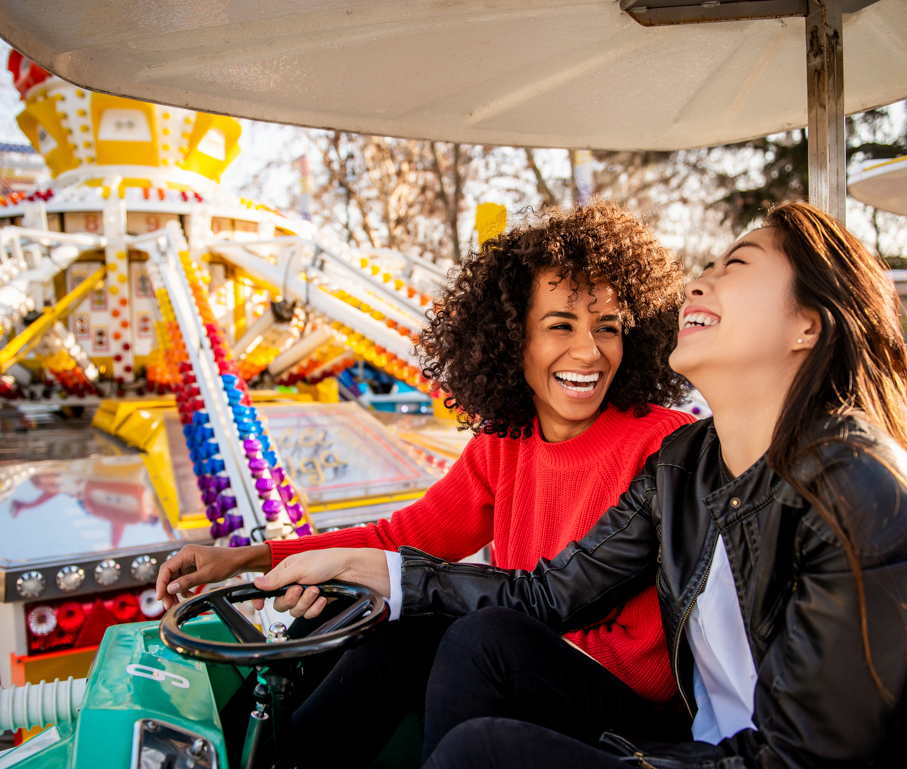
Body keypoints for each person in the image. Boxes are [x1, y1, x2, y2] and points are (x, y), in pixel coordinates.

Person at [258, 200, 907, 768]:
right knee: (482, 642)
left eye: (736, 265)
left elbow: (800, 761)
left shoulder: (864, 492)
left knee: (482, 752)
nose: (698, 281)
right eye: (558, 324)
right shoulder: (686, 465)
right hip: (703, 743)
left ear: (808, 326)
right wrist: (378, 572)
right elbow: (542, 596)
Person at [156, 200, 695, 767]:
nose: (588, 351)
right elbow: (400, 541)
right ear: (513, 339)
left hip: (622, 707)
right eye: (560, 325)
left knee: (445, 629)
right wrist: (246, 559)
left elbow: (556, 601)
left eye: (607, 328)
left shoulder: (666, 444)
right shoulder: (503, 444)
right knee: (355, 613)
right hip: (521, 656)